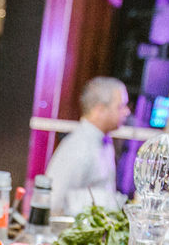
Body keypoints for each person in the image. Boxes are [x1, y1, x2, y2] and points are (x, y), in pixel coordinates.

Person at [44, 77, 131, 217]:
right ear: (99, 110)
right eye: (120, 106)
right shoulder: (77, 147)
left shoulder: (104, 142)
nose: (127, 112)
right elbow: (53, 203)